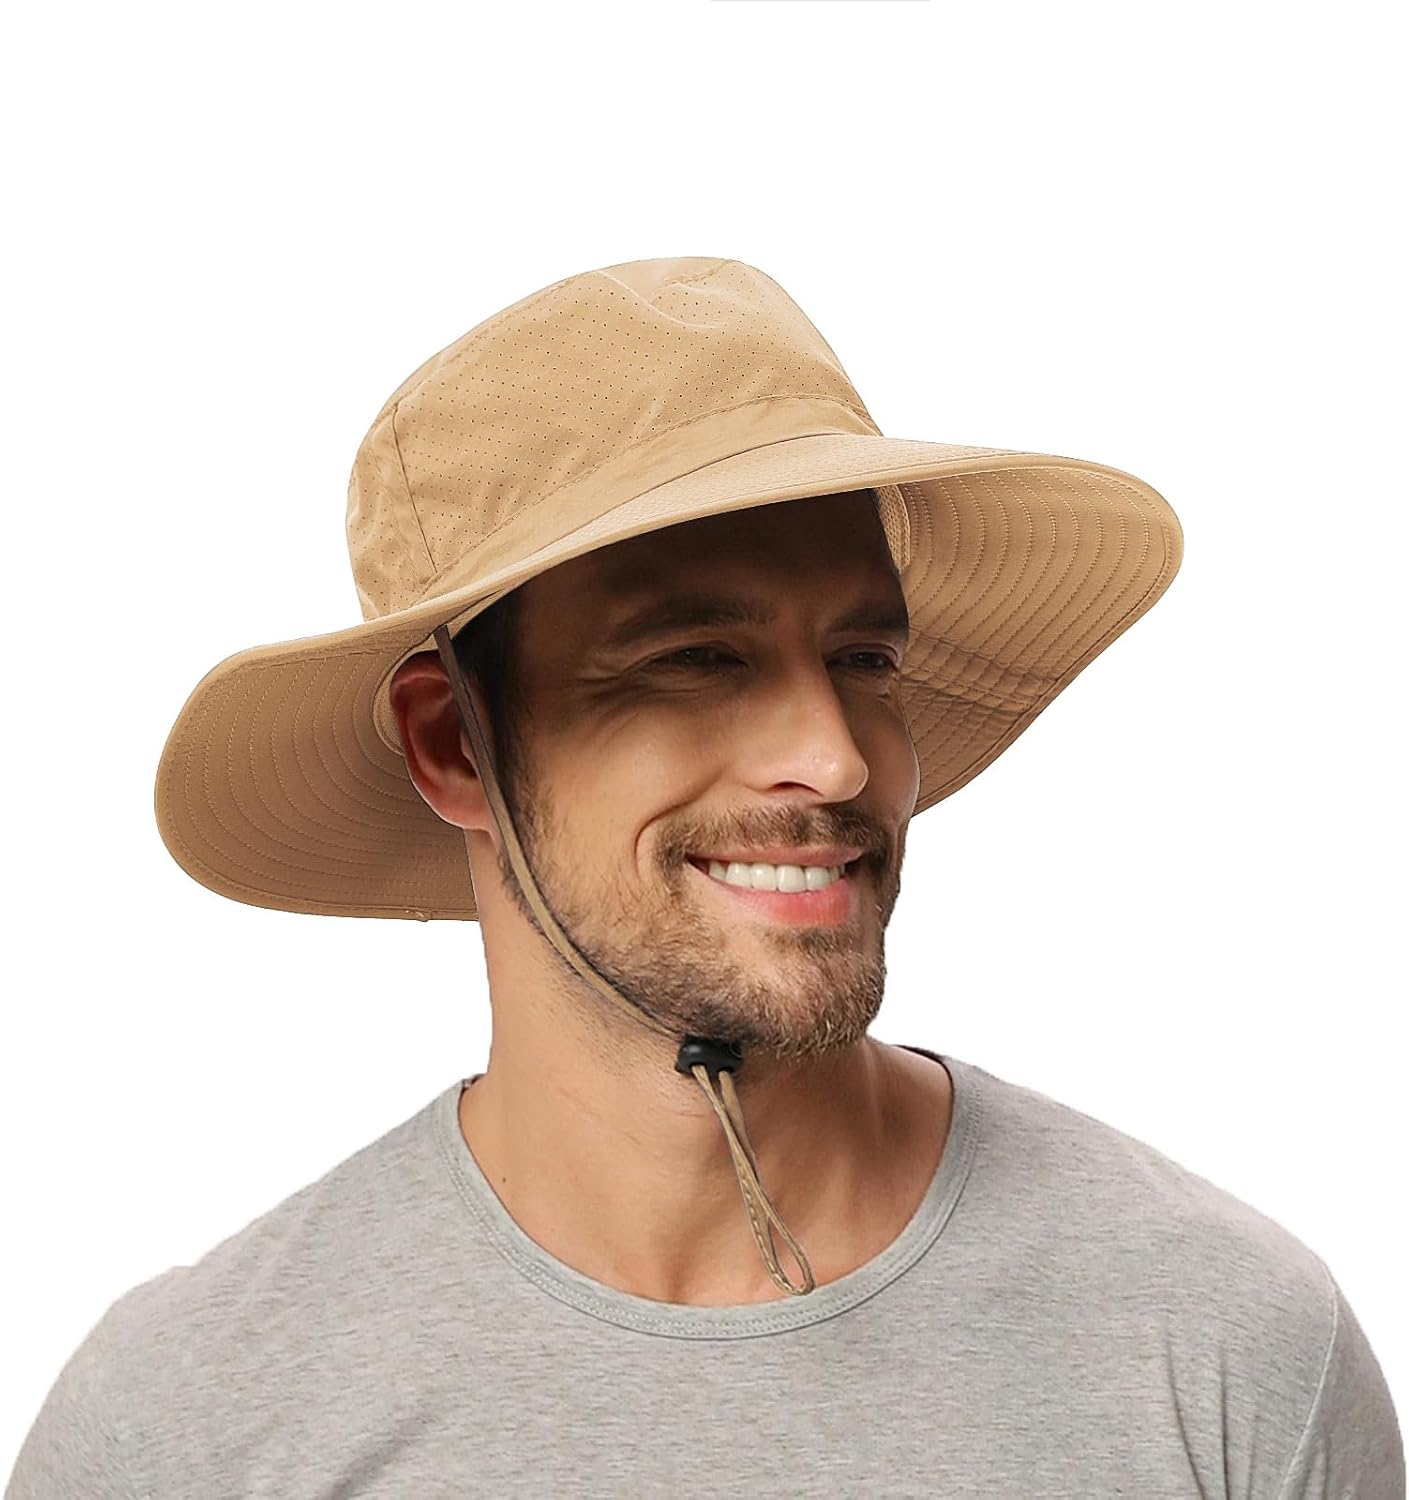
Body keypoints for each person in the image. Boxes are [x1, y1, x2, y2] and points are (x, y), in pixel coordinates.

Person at [8, 257, 1402, 1496]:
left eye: (863, 658)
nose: (834, 758)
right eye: (694, 659)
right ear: (452, 744)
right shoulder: (191, 1422)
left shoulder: (1221, 1344)